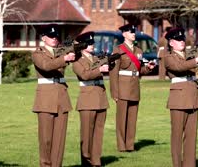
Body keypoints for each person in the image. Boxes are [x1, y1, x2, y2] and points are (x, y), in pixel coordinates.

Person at [32, 24, 75, 167]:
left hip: (61, 97)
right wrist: (65, 58)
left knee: (59, 140)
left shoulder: (62, 51)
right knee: (46, 140)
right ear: (43, 38)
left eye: (56, 36)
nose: (54, 38)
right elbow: (46, 66)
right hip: (45, 99)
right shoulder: (38, 53)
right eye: (50, 36)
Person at [109, 24, 156, 152]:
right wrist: (114, 92)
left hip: (135, 87)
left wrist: (148, 68)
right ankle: (121, 146)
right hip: (122, 88)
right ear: (124, 34)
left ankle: (130, 145)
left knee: (132, 119)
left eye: (134, 31)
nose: (133, 33)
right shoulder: (118, 50)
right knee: (121, 119)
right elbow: (113, 73)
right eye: (130, 32)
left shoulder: (139, 51)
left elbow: (139, 70)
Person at [164, 28, 198, 167]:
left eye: (183, 39)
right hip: (179, 99)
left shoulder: (189, 54)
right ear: (171, 43)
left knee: (191, 135)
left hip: (193, 97)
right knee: (177, 135)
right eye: (178, 40)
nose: (182, 42)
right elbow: (179, 67)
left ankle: (189, 164)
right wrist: (196, 60)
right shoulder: (169, 57)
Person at [72, 31, 110, 167]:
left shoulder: (96, 58)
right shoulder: (77, 60)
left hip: (100, 97)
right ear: (82, 45)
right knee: (87, 134)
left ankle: (96, 161)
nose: (92, 45)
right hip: (87, 100)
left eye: (92, 42)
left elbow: (109, 67)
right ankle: (86, 161)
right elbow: (84, 75)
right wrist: (100, 70)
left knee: (98, 133)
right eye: (89, 43)